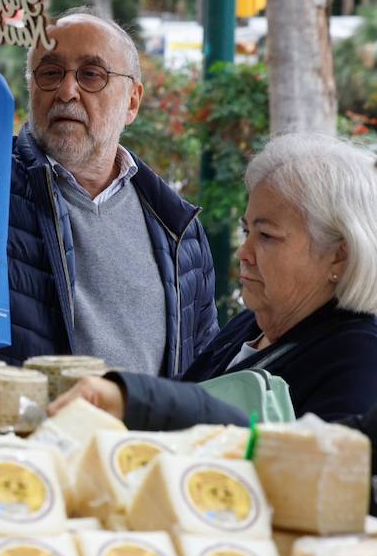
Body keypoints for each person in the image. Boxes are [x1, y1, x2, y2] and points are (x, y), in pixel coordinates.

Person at [0, 3, 215, 377]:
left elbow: (202, 372)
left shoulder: (180, 232)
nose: (67, 91)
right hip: (13, 433)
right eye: (50, 73)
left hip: (139, 437)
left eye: (91, 74)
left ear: (132, 101)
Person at [52, 133, 377, 427]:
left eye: (266, 236)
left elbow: (318, 472)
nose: (243, 252)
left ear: (339, 255)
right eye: (247, 231)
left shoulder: (359, 356)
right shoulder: (251, 326)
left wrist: (133, 400)